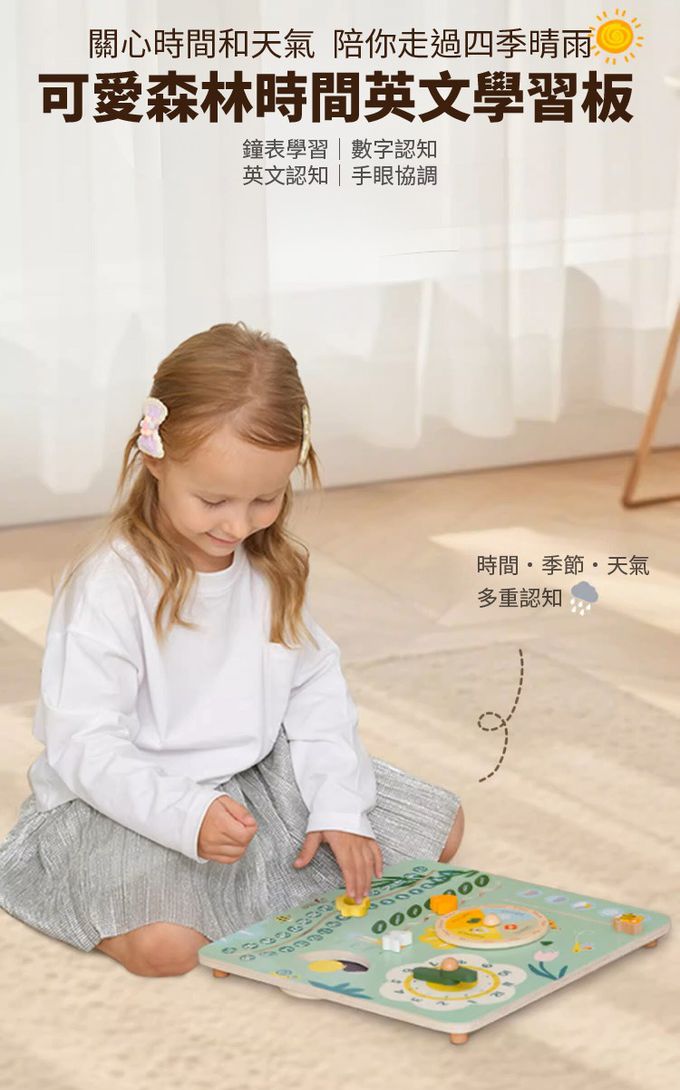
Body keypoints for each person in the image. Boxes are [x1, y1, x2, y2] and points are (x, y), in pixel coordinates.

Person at [0, 321, 464, 978]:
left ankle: (245, 887)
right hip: (126, 795)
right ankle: (72, 884)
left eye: (265, 499)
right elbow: (86, 744)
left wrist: (338, 805)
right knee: (168, 950)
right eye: (214, 500)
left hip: (252, 780)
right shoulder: (109, 585)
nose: (238, 525)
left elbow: (315, 693)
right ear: (154, 457)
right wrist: (186, 814)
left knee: (440, 829)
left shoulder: (271, 568)